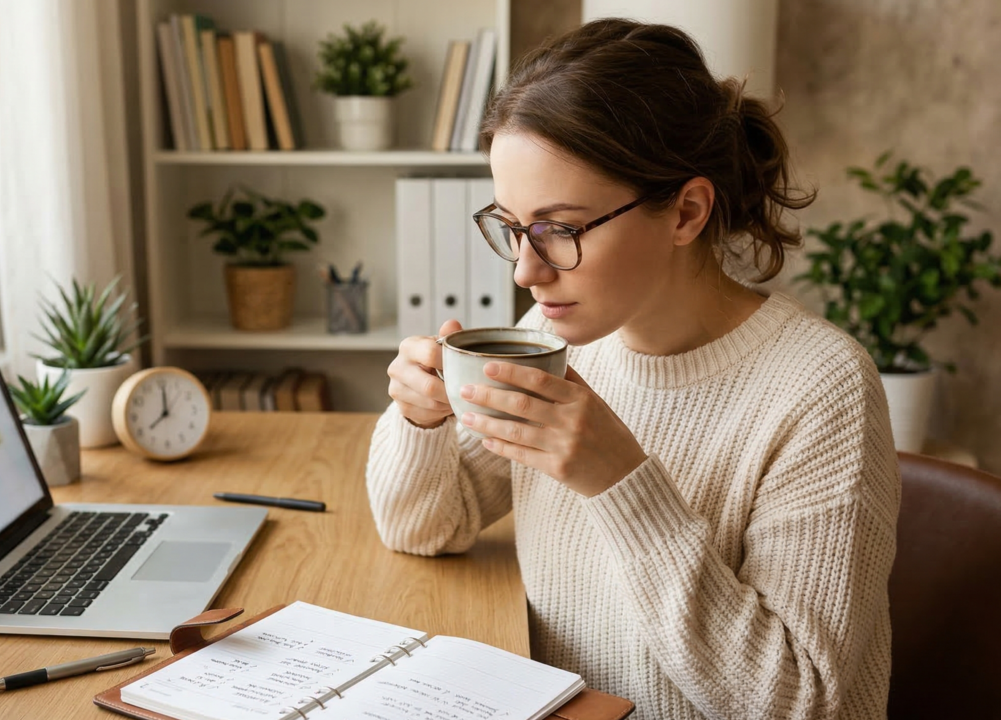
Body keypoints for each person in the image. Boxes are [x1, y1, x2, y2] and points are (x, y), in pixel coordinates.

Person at [366, 19, 899, 720]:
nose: (526, 271)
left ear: (685, 211)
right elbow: (425, 528)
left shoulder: (821, 388)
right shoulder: (554, 340)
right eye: (513, 226)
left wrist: (619, 479)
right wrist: (420, 419)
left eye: (559, 230)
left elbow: (796, 701)